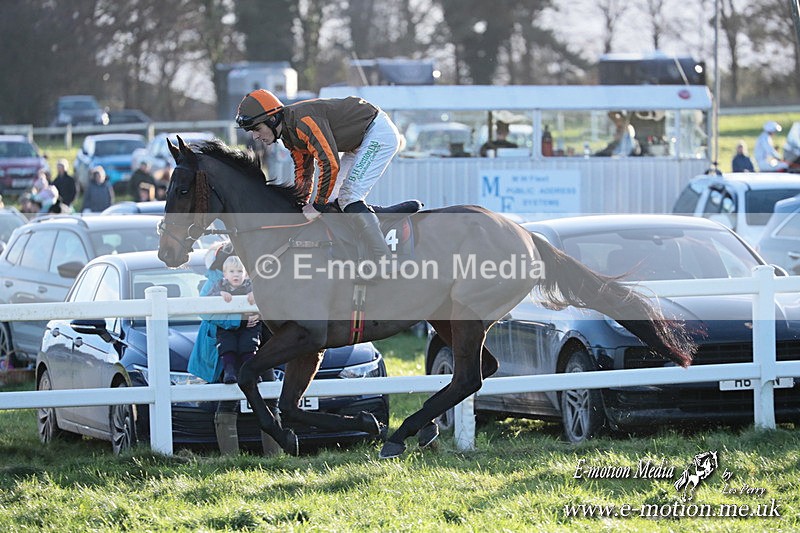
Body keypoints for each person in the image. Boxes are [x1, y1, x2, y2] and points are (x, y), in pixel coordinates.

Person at [236, 89, 402, 273]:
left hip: (377, 133)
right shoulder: (289, 134)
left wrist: (317, 205)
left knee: (349, 197)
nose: (255, 136)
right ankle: (353, 253)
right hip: (358, 140)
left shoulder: (303, 122)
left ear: (273, 119)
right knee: (332, 199)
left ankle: (385, 262)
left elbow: (329, 163)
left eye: (257, 129)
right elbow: (303, 172)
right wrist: (301, 204)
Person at [188, 243, 280, 456]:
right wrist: (239, 319)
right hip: (226, 346)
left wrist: (259, 313)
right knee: (228, 398)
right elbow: (206, 312)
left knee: (269, 395)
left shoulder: (260, 273)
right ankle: (231, 457)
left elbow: (275, 301)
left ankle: (275, 455)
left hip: (261, 345)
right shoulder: (214, 281)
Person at [208, 255, 260, 384]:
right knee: (227, 346)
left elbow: (265, 300)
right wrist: (219, 294)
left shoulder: (252, 286)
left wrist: (255, 295)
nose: (236, 275)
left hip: (250, 325)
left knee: (248, 347)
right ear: (225, 274)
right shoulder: (220, 285)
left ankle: (251, 373)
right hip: (227, 327)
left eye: (239, 271)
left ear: (246, 274)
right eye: (231, 272)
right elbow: (207, 300)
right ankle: (229, 371)